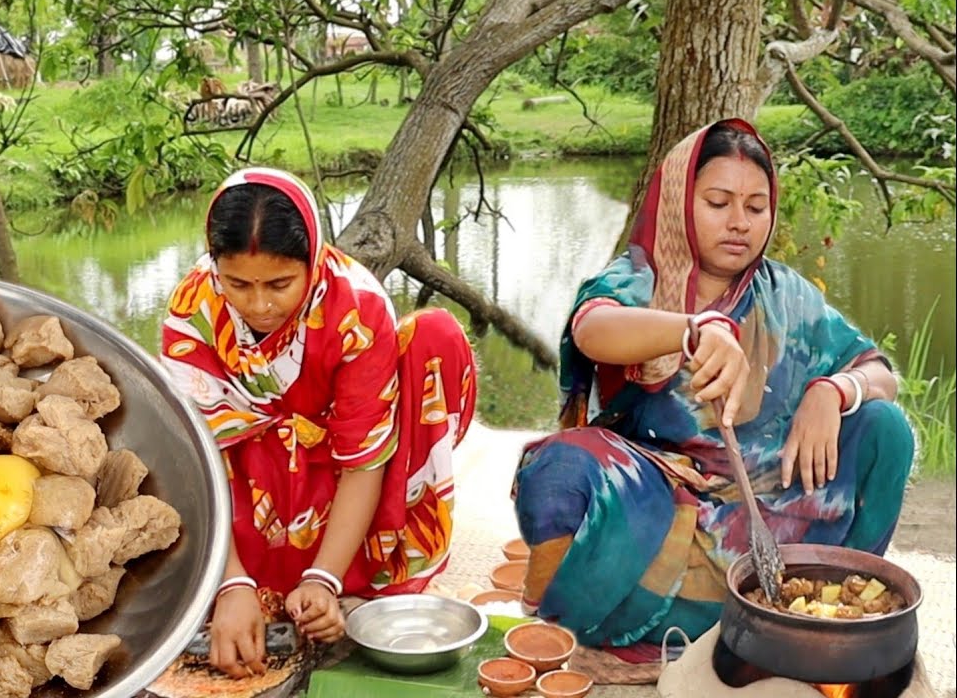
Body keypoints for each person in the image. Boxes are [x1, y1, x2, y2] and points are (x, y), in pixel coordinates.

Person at [511, 119, 913, 648]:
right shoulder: (643, 278)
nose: (739, 223)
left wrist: (833, 390)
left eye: (756, 207)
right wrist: (692, 329)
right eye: (718, 203)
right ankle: (598, 619)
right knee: (559, 467)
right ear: (681, 202)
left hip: (783, 514)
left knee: (885, 426)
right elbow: (593, 329)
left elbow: (880, 373)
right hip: (663, 517)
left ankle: (836, 604)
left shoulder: (786, 295)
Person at [162, 167, 477, 677]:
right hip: (247, 484)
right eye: (238, 284)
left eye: (280, 284)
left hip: (339, 472)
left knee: (432, 336)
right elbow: (196, 458)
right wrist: (231, 583)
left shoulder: (356, 305)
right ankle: (251, 579)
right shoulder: (194, 307)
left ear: (312, 262)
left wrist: (324, 577)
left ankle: (351, 579)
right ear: (215, 264)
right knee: (176, 438)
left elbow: (364, 458)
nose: (260, 305)